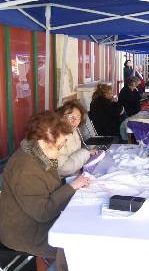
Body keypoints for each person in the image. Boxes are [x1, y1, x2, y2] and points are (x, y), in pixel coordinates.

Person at [0, 111, 90, 270]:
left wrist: (72, 185)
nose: (62, 149)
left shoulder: (40, 155)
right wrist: (71, 187)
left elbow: (50, 189)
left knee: (83, 223)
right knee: (77, 243)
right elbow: (43, 212)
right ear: (43, 140)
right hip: (25, 231)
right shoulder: (25, 169)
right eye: (60, 145)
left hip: (35, 220)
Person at [57, 100, 95, 178]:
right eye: (70, 117)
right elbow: (63, 169)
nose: (75, 121)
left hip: (75, 176)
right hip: (61, 182)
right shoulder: (57, 135)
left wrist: (88, 153)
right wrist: (86, 153)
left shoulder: (74, 130)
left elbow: (75, 154)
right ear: (61, 117)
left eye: (78, 117)